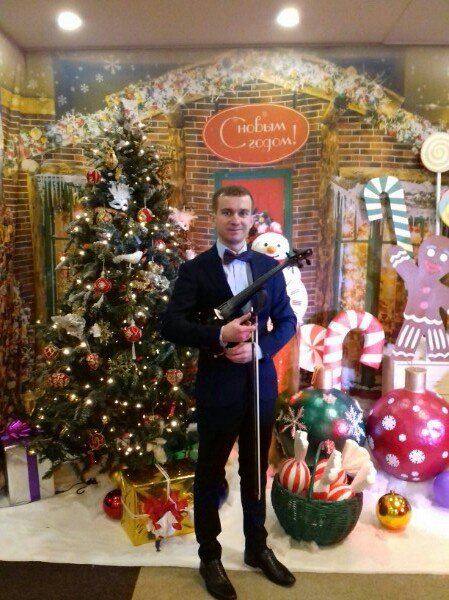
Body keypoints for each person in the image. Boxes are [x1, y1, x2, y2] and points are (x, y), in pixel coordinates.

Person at [161, 186, 297, 600]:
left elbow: (287, 322)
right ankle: (210, 557)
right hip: (217, 388)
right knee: (210, 474)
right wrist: (219, 334)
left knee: (255, 472)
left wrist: (260, 349)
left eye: (242, 212)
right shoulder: (196, 270)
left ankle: (257, 548)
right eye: (227, 212)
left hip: (259, 387)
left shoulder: (269, 267)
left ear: (252, 218)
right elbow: (171, 325)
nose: (235, 220)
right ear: (214, 216)